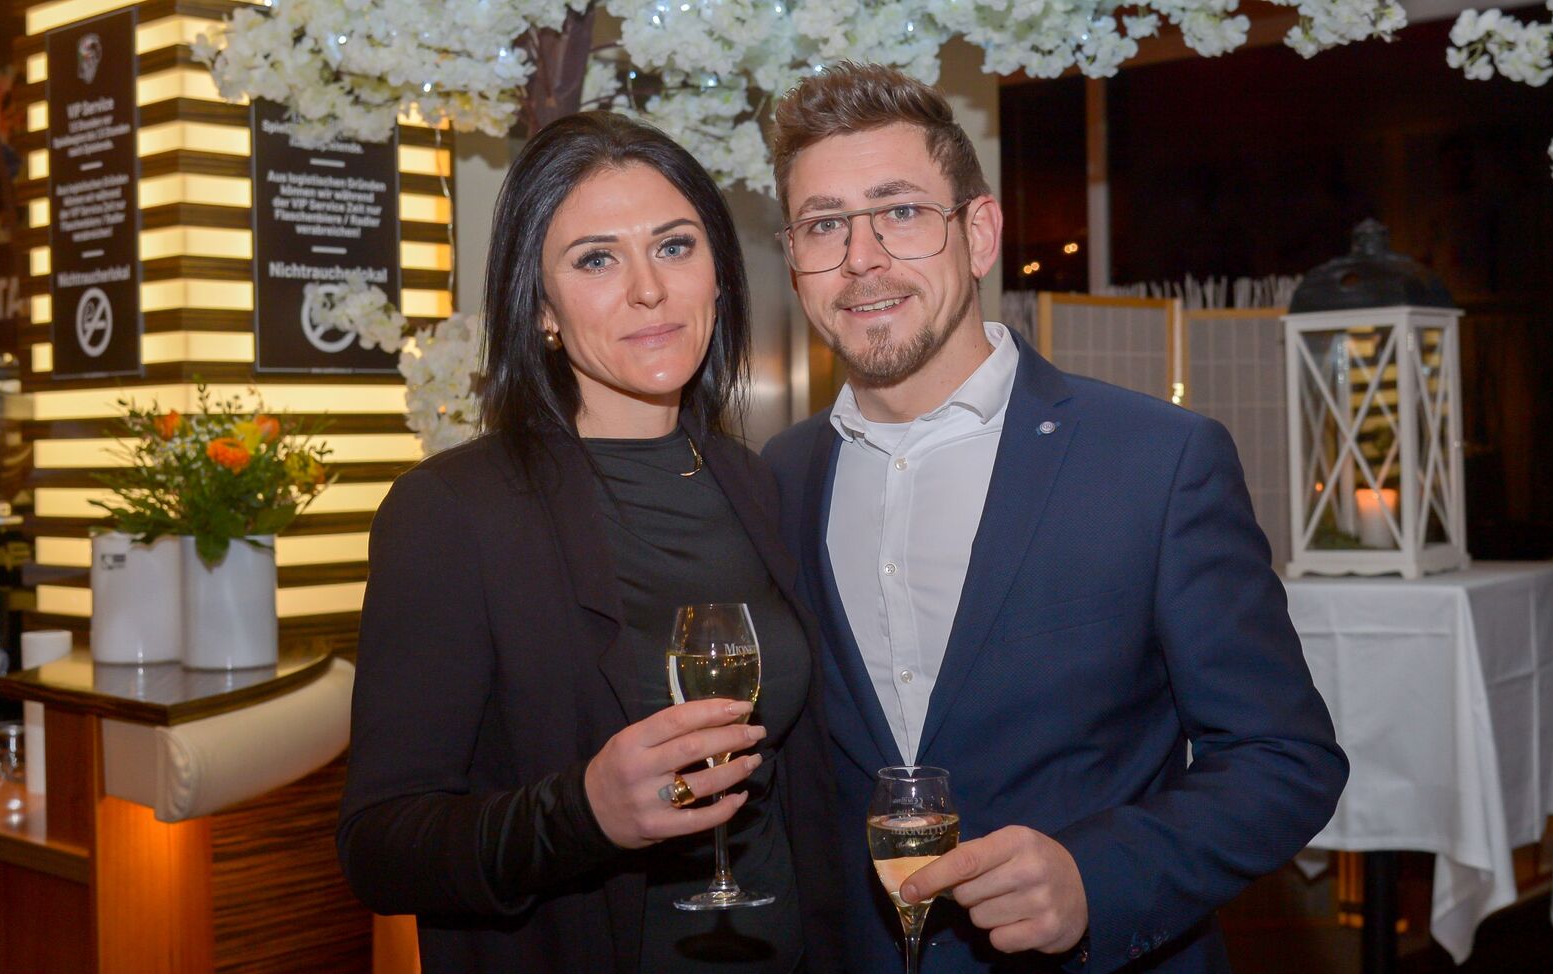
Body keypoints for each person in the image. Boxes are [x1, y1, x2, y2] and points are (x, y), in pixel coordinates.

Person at [760, 63, 1348, 973]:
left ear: (979, 233)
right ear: (795, 259)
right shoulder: (782, 476)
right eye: (824, 224)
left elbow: (1284, 757)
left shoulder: (1156, 461)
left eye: (900, 212)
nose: (861, 257)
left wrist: (1097, 878)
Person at [338, 111, 843, 974]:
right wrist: (585, 812)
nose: (649, 289)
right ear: (541, 307)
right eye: (596, 259)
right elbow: (380, 847)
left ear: (718, 276)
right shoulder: (454, 511)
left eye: (675, 246)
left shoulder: (755, 482)